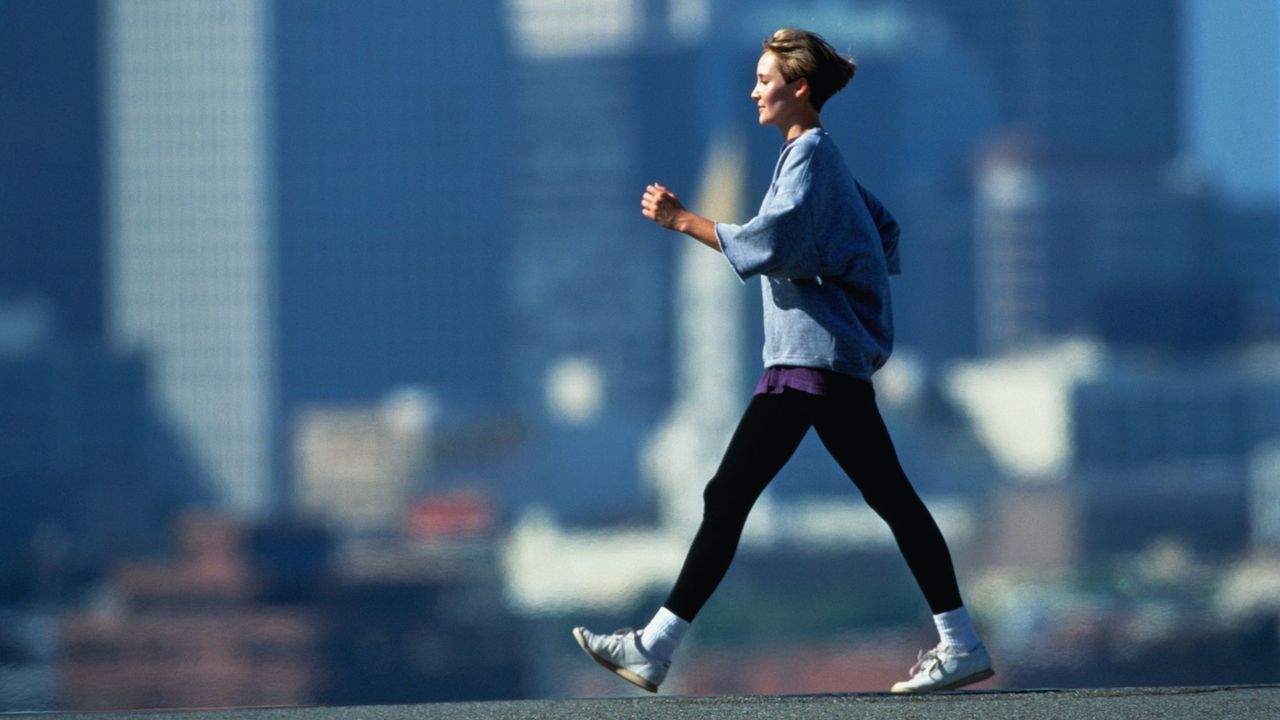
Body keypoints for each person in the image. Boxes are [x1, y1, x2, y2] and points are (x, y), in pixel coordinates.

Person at [572, 28, 994, 694]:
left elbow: (776, 240)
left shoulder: (810, 158)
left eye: (766, 81)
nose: (755, 91)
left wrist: (684, 221)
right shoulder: (815, 157)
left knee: (733, 496)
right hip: (820, 361)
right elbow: (879, 229)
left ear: (799, 89)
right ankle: (960, 641)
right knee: (885, 500)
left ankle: (653, 647)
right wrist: (850, 280)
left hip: (808, 365)